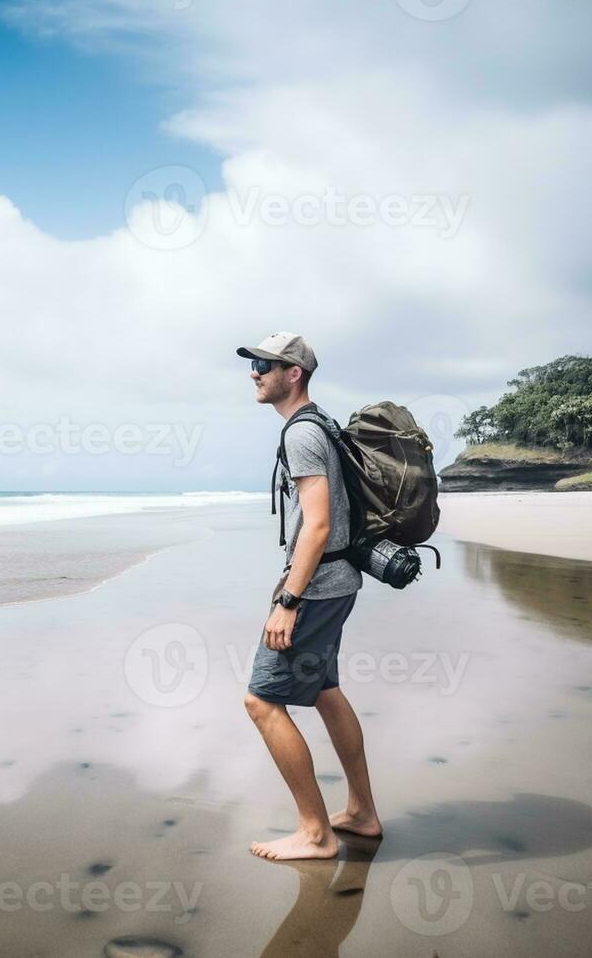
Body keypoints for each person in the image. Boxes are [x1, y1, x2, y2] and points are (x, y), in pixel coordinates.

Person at [236, 332, 383, 861]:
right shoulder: (323, 423)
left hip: (317, 588)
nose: (254, 372)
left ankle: (315, 832)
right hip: (338, 580)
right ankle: (362, 813)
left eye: (264, 364)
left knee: (261, 701)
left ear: (292, 373)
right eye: (253, 363)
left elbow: (316, 526)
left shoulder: (302, 433)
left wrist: (288, 601)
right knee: (323, 690)